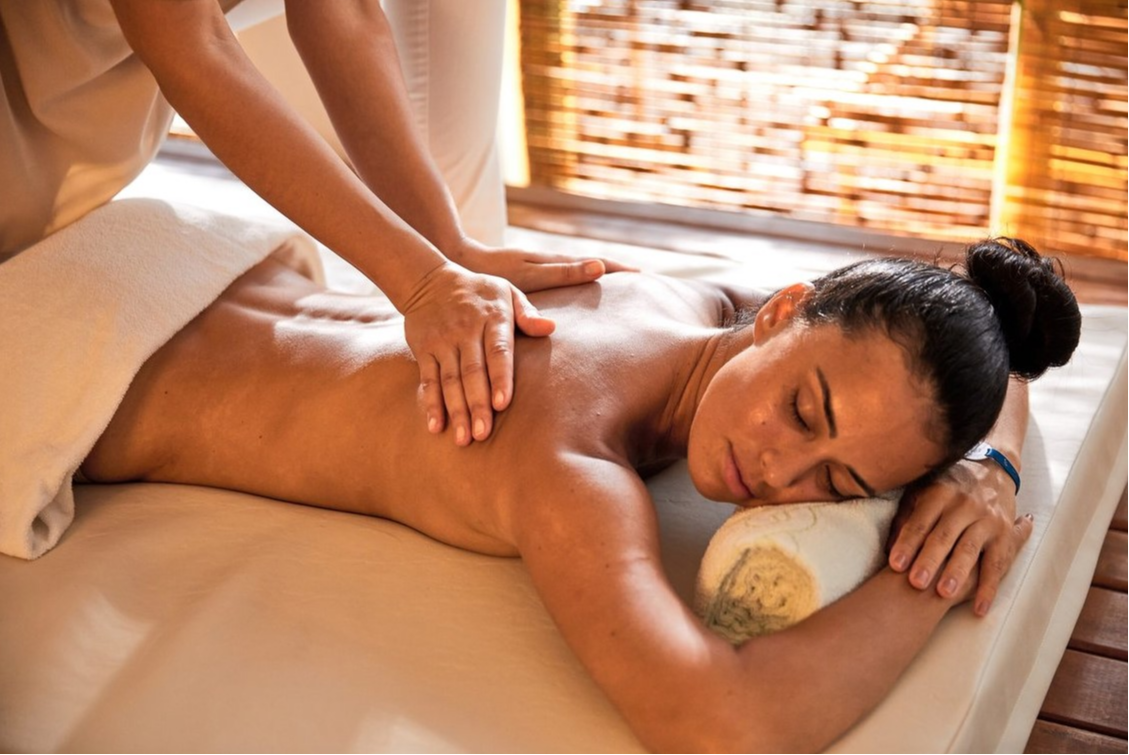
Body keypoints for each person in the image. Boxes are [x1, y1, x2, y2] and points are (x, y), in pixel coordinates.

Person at [81, 236, 1081, 752]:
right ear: (784, 316)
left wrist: (984, 468)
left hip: (160, 261)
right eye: (804, 412)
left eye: (839, 484)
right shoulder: (564, 457)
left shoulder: (679, 297)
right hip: (72, 369)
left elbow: (985, 342)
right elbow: (719, 724)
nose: (778, 475)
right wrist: (933, 572)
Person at [0, 0, 626, 445]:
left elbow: (343, 14)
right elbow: (191, 46)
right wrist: (423, 281)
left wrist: (447, 247)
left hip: (82, 127)